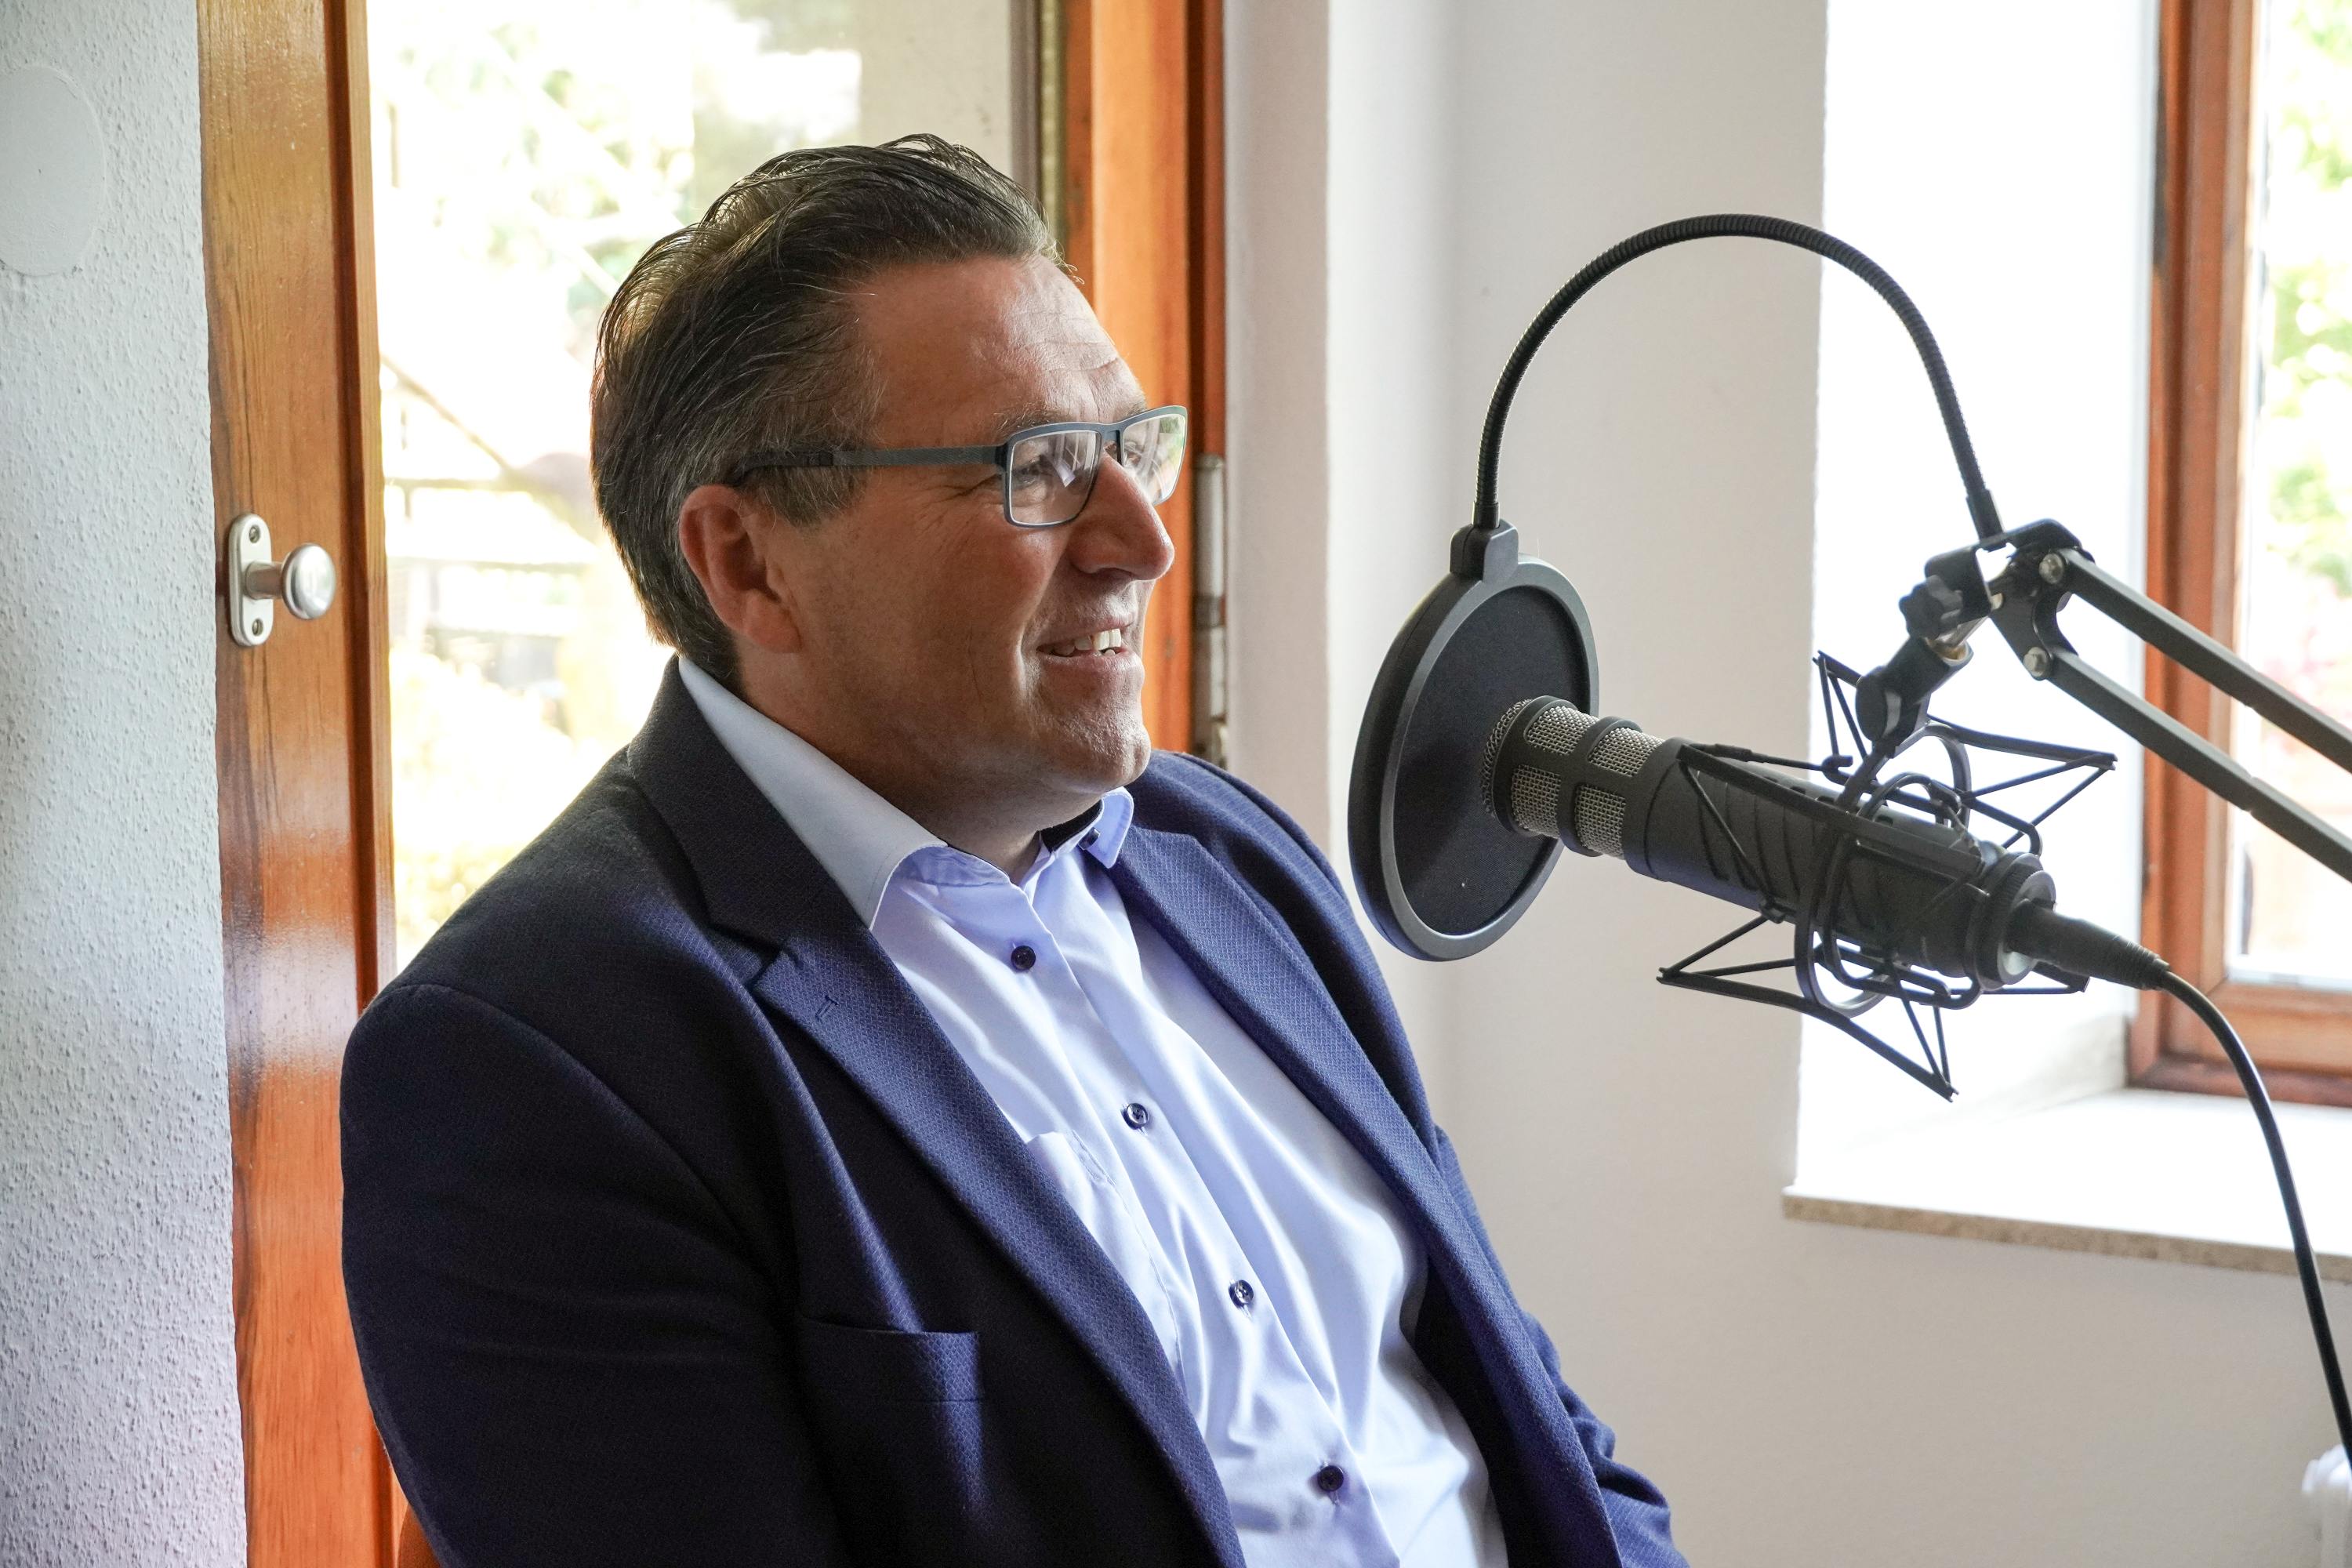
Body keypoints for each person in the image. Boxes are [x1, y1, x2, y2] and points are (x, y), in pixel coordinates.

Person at [341, 135, 1682, 1568]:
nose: (1144, 541)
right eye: (1036, 469)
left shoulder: (1230, 855)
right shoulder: (536, 1056)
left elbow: (1528, 1420)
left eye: (1129, 446)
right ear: (749, 562)